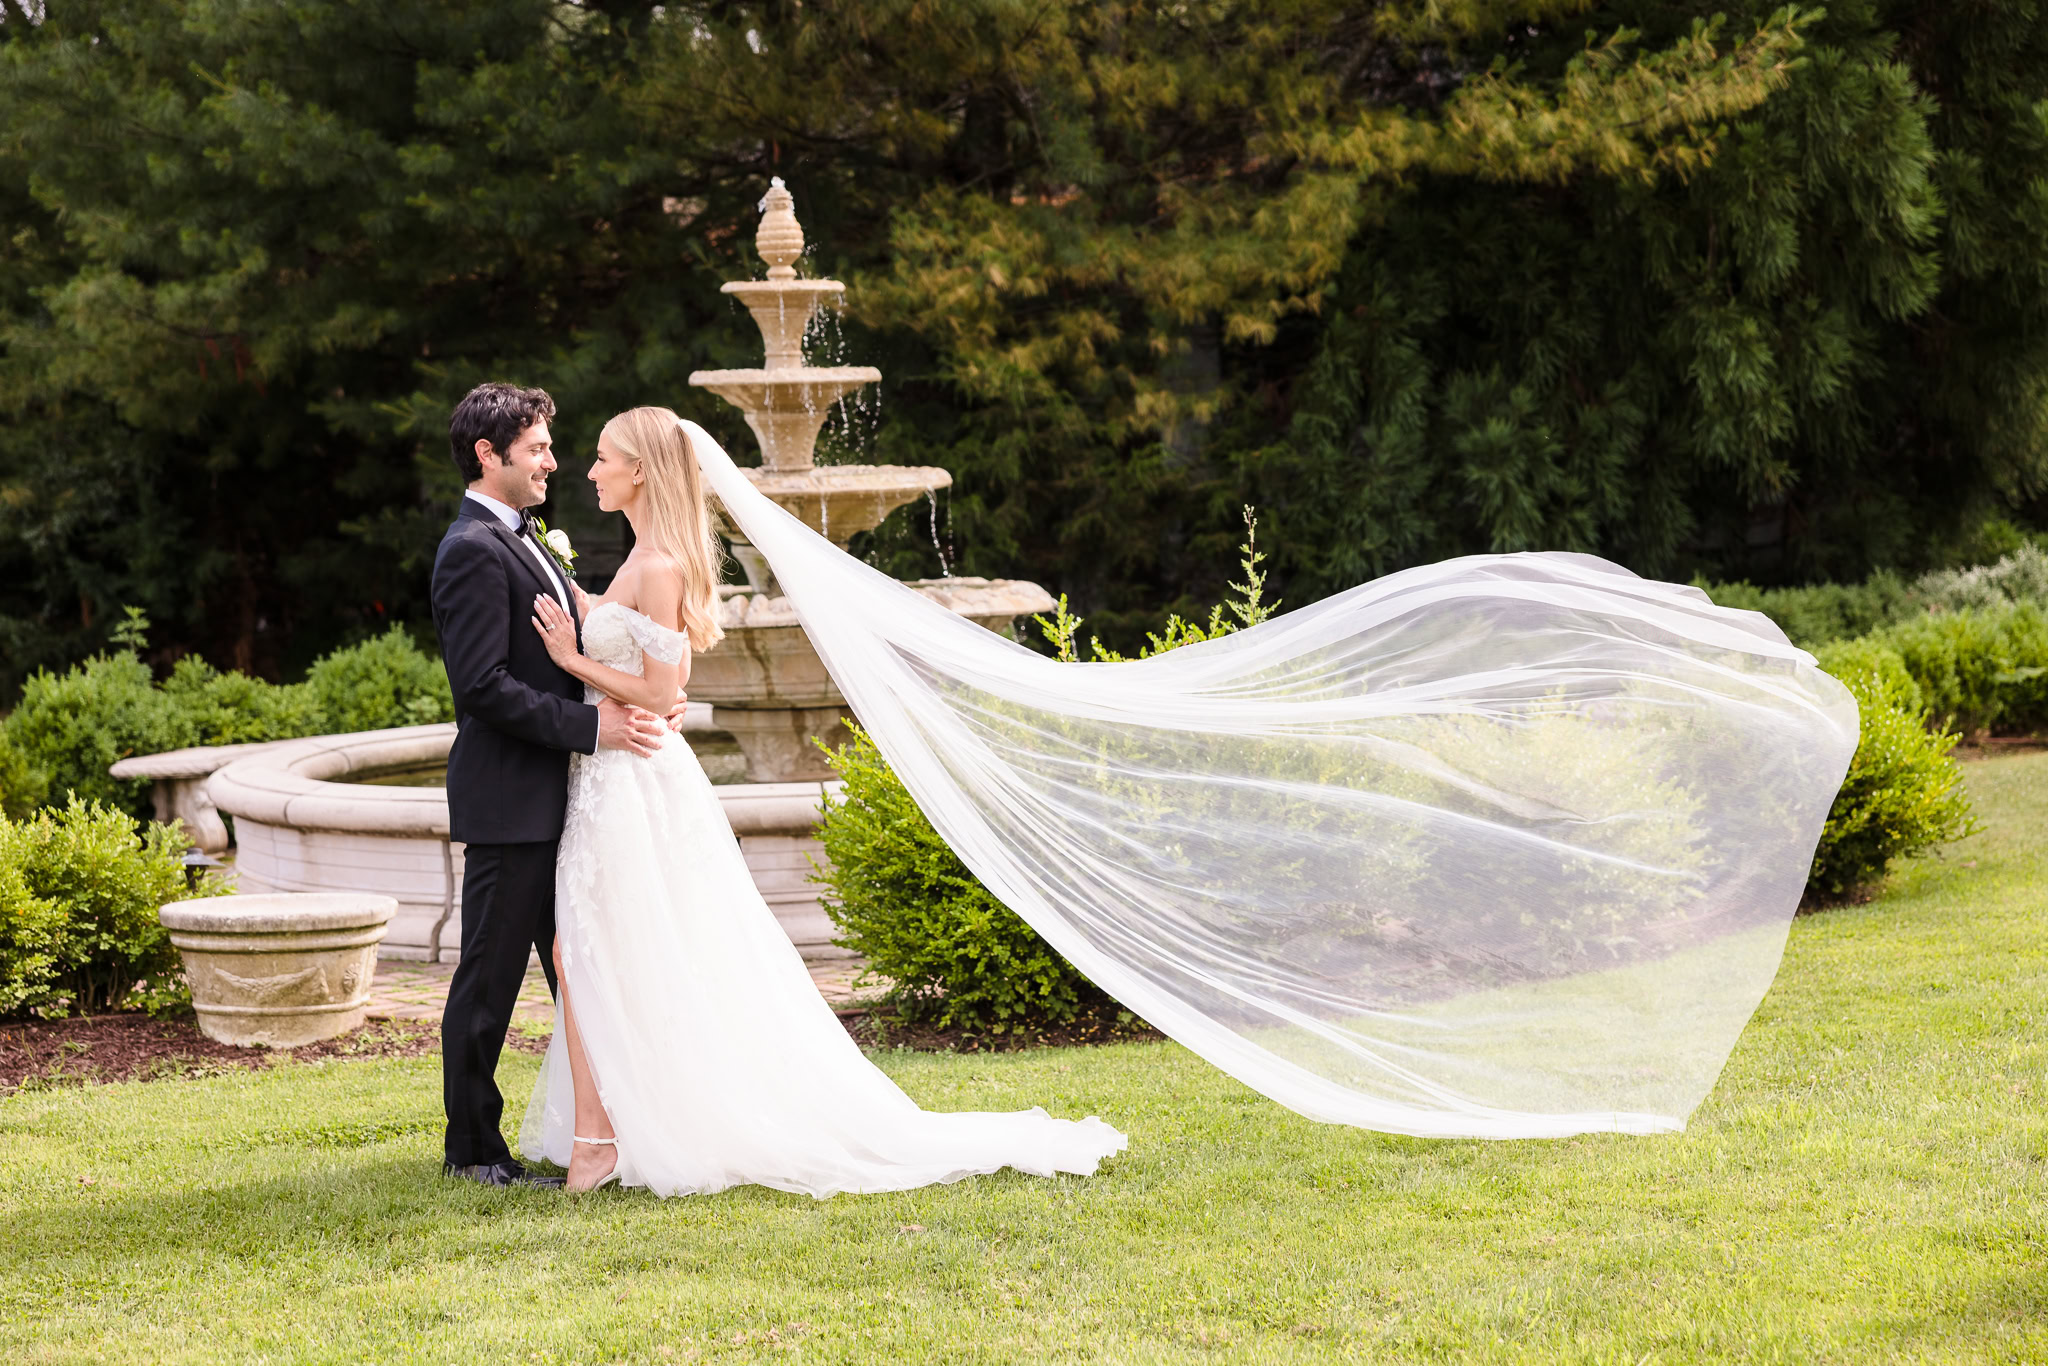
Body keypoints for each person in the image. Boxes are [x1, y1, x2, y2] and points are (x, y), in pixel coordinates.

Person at [517, 405, 1128, 1195]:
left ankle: (601, 1141)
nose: (589, 470)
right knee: (609, 951)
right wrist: (580, 601)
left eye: (603, 458)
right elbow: (653, 658)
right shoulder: (647, 555)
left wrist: (574, 656)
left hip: (634, 782)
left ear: (640, 470)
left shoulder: (662, 563)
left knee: (590, 951)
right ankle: (617, 1129)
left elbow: (666, 688)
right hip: (621, 780)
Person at [429, 383, 669, 1188]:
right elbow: (484, 688)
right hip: (511, 802)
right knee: (488, 983)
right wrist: (593, 727)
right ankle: (471, 1152)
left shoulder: (528, 537)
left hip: (569, 800)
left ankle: (605, 1134)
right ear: (488, 456)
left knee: (585, 972)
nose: (551, 464)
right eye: (534, 449)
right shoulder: (469, 549)